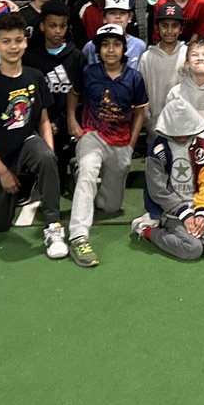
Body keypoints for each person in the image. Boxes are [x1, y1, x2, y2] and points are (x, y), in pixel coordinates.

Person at [0, 12, 67, 258]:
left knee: (45, 158)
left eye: (18, 40)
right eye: (6, 41)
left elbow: (44, 120)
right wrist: (2, 172)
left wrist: (50, 154)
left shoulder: (34, 76)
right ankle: (2, 187)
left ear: (25, 41)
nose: (13, 46)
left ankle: (53, 226)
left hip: (26, 142)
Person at [66, 24, 149, 266]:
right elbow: (73, 94)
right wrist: (72, 119)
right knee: (89, 170)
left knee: (111, 206)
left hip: (120, 142)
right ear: (98, 49)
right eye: (105, 45)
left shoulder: (134, 78)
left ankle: (80, 176)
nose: (110, 50)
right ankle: (79, 236)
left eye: (116, 44)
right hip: (92, 135)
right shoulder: (89, 72)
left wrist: (131, 146)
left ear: (124, 48)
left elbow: (139, 113)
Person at [131, 97, 204, 260]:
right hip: (171, 210)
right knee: (192, 249)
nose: (181, 136)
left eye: (186, 131)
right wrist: (183, 213)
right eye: (176, 132)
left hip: (197, 205)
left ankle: (189, 225)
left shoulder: (202, 148)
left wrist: (202, 212)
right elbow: (158, 190)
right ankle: (148, 230)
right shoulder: (158, 150)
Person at [21, 1, 85, 193]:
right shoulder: (30, 57)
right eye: (52, 26)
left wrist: (60, 122)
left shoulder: (77, 56)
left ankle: (73, 169)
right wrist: (44, 123)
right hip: (39, 123)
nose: (58, 31)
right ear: (42, 26)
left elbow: (81, 96)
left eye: (62, 26)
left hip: (67, 124)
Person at [138, 3, 188, 129]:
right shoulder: (147, 57)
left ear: (181, 29)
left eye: (175, 26)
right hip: (155, 126)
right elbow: (141, 93)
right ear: (157, 28)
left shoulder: (188, 54)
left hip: (185, 125)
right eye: (165, 26)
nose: (169, 31)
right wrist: (148, 121)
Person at [81, 0, 146, 70]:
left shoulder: (139, 46)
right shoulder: (92, 46)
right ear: (104, 18)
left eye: (122, 13)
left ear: (129, 17)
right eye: (112, 13)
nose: (118, 17)